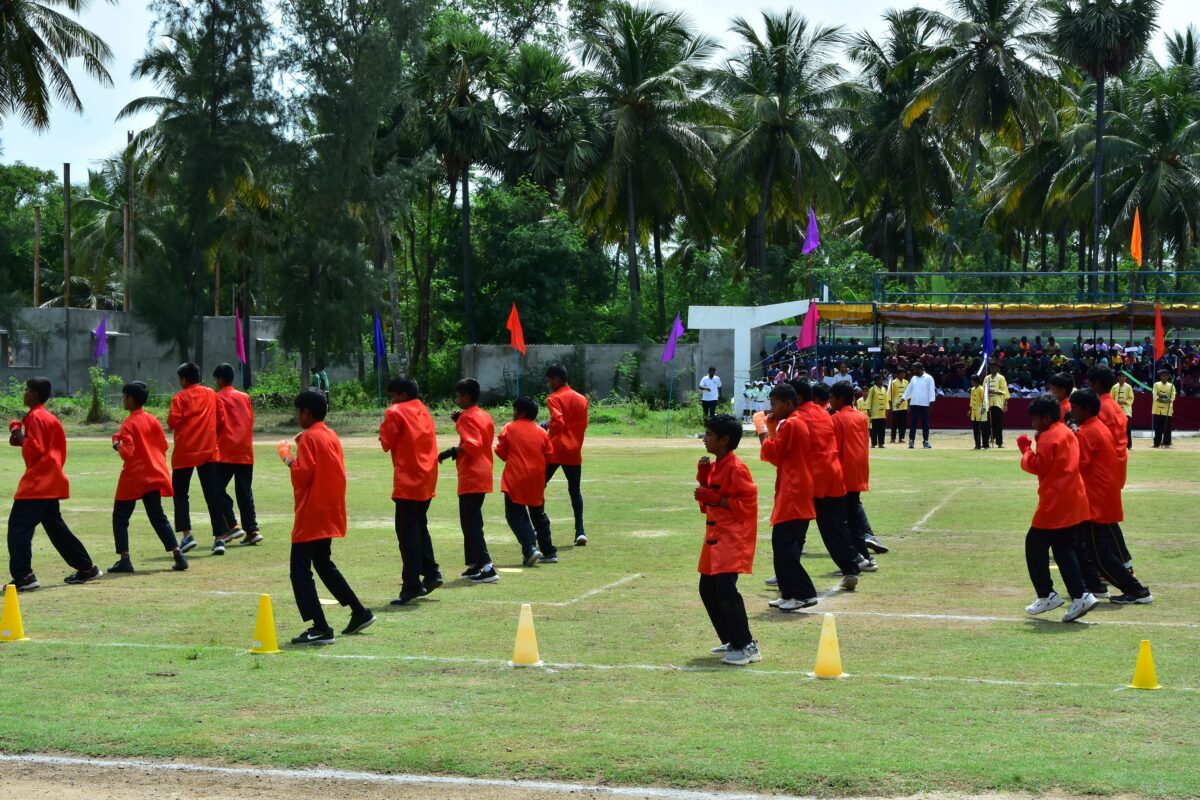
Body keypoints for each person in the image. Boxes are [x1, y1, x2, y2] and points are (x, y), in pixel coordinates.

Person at [280, 390, 375, 645]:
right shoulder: (330, 434)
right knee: (323, 563)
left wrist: (287, 456)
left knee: (300, 571)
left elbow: (302, 476)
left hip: (311, 512)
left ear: (306, 412)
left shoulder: (310, 437)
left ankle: (320, 627)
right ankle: (359, 611)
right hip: (329, 509)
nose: (297, 416)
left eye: (298, 412)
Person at [5, 378, 102, 590]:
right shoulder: (49, 417)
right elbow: (44, 446)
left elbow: (36, 448)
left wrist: (19, 433)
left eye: (27, 389)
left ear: (35, 394)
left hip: (37, 482)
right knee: (57, 529)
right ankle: (87, 568)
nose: (24, 392)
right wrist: (19, 438)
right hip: (52, 479)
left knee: (18, 528)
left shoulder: (35, 417)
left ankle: (24, 576)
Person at [1015, 395, 1097, 623]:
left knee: (1034, 544)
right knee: (1063, 549)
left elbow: (1038, 466)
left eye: (1035, 419)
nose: (1033, 423)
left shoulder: (1049, 437)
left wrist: (1025, 450)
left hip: (1056, 500)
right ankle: (1081, 595)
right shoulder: (1065, 431)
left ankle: (1047, 594)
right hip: (1073, 497)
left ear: (1046, 418)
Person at [1069, 389, 1152, 605]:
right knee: (1098, 550)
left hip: (1094, 500)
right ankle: (1125, 588)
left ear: (1086, 409)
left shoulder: (1087, 432)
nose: (1072, 411)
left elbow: (1078, 464)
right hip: (1102, 495)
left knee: (1099, 554)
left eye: (1075, 408)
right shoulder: (1097, 427)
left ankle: (1136, 590)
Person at [695, 414, 760, 666]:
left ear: (724, 440)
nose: (705, 439)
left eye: (709, 435)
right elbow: (710, 499)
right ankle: (733, 639)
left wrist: (711, 497)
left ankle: (746, 645)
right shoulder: (717, 465)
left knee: (725, 590)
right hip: (715, 536)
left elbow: (746, 504)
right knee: (708, 588)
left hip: (732, 538)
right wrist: (703, 477)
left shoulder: (736, 468)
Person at [109, 381, 188, 574]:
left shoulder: (128, 424)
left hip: (134, 477)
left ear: (132, 400)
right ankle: (178, 554)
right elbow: (163, 446)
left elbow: (127, 453)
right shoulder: (152, 420)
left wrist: (117, 444)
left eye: (125, 397)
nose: (123, 400)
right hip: (153, 474)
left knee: (120, 518)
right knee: (158, 517)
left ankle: (125, 559)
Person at [792, 380, 863, 589]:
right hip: (833, 475)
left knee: (794, 529)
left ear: (796, 398)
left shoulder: (797, 418)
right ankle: (851, 567)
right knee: (834, 527)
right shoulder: (824, 413)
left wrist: (767, 427)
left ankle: (788, 569)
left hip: (811, 479)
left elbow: (780, 451)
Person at [754, 384, 817, 612]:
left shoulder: (791, 424)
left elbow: (773, 453)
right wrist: (772, 427)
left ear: (788, 403)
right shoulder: (793, 422)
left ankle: (803, 593)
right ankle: (789, 592)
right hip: (794, 486)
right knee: (783, 543)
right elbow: (779, 456)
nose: (772, 409)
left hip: (794, 489)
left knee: (784, 544)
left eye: (775, 404)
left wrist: (763, 430)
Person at [379, 377, 442, 606]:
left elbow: (385, 443)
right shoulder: (423, 409)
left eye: (393, 396)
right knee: (419, 528)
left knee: (407, 535)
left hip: (408, 481)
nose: (391, 401)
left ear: (402, 395)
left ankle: (412, 583)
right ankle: (431, 572)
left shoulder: (395, 412)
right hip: (427, 477)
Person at [439, 378, 498, 584]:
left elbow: (473, 444)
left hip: (471, 475)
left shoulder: (466, 418)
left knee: (470, 523)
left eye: (458, 396)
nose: (456, 400)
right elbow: (479, 433)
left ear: (466, 397)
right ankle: (474, 564)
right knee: (470, 521)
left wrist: (450, 452)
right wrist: (460, 421)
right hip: (483, 472)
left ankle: (488, 566)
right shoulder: (484, 415)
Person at [167, 362, 228, 556]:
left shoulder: (179, 397)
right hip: (208, 450)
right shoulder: (211, 394)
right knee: (213, 494)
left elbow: (172, 422)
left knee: (180, 494)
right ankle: (219, 538)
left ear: (184, 380)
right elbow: (221, 420)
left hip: (184, 452)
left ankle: (187, 535)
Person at [496, 397, 557, 566]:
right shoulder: (541, 432)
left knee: (515, 515)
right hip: (537, 479)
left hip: (515, 478)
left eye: (515, 410)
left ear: (521, 413)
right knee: (538, 514)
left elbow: (501, 452)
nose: (513, 413)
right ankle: (549, 551)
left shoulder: (509, 427)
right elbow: (549, 456)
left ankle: (530, 547)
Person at [830, 382, 880, 568]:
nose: (830, 401)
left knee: (844, 521)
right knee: (851, 517)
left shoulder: (836, 419)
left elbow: (834, 449)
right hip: (859, 472)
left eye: (832, 398)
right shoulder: (861, 417)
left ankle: (862, 558)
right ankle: (864, 558)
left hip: (843, 474)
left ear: (840, 399)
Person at [213, 363, 261, 547]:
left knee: (215, 489)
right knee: (244, 492)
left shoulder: (216, 398)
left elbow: (216, 423)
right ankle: (252, 530)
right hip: (245, 450)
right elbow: (250, 419)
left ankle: (232, 525)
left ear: (219, 380)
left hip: (225, 451)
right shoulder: (244, 397)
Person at [542, 365, 589, 546]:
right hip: (574, 450)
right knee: (575, 491)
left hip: (555, 450)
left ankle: (540, 526)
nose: (549, 384)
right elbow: (582, 425)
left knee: (538, 488)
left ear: (557, 379)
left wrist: (546, 426)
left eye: (550, 380)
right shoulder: (582, 399)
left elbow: (558, 422)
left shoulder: (553, 398)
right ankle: (580, 531)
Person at [901, 363, 936, 449]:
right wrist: (902, 400)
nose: (913, 371)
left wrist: (931, 404)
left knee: (925, 424)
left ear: (919, 369)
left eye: (914, 369)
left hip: (925, 404)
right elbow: (908, 389)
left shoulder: (929, 378)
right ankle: (911, 441)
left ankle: (926, 441)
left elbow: (931, 391)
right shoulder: (913, 378)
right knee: (913, 423)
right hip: (914, 404)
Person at [986, 363, 1009, 447]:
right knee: (987, 424)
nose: (993, 369)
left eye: (994, 368)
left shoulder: (1001, 378)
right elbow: (984, 390)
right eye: (991, 368)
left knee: (998, 423)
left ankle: (999, 443)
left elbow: (1004, 391)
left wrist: (1005, 404)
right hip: (988, 403)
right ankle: (986, 442)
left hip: (998, 403)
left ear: (997, 369)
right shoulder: (987, 378)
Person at [1152, 368, 1176, 448]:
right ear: (1160, 376)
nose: (1164, 377)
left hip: (1167, 410)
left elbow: (1172, 398)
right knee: (1157, 428)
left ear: (1168, 376)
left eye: (1165, 376)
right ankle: (1156, 443)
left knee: (1167, 428)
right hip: (1157, 410)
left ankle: (1167, 443)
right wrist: (1164, 398)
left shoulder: (1171, 386)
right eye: (1162, 376)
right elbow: (1155, 396)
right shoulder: (1156, 385)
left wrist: (1162, 396)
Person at [1110, 372, 1135, 449]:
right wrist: (1115, 404)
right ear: (1118, 377)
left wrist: (1125, 402)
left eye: (1124, 377)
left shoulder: (1128, 387)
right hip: (1116, 411)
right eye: (1122, 376)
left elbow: (1131, 397)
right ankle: (1117, 444)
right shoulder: (1114, 387)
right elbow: (1111, 398)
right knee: (1117, 429)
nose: (1123, 378)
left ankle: (1129, 445)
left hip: (1126, 411)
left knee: (1127, 429)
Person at [888, 368, 909, 443]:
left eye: (904, 373)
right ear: (898, 374)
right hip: (895, 406)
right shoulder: (893, 383)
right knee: (894, 423)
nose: (904, 375)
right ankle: (893, 438)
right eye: (902, 373)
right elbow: (889, 395)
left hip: (904, 406)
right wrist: (890, 406)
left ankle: (901, 438)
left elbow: (908, 395)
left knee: (903, 423)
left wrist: (908, 406)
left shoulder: (906, 382)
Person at [969, 374, 989, 449]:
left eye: (972, 380)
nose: (971, 382)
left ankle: (985, 444)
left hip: (981, 411)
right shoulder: (972, 389)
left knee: (984, 429)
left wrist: (984, 408)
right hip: (974, 412)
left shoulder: (981, 389)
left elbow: (985, 399)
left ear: (976, 381)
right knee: (976, 429)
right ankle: (977, 445)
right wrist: (970, 410)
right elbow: (971, 400)